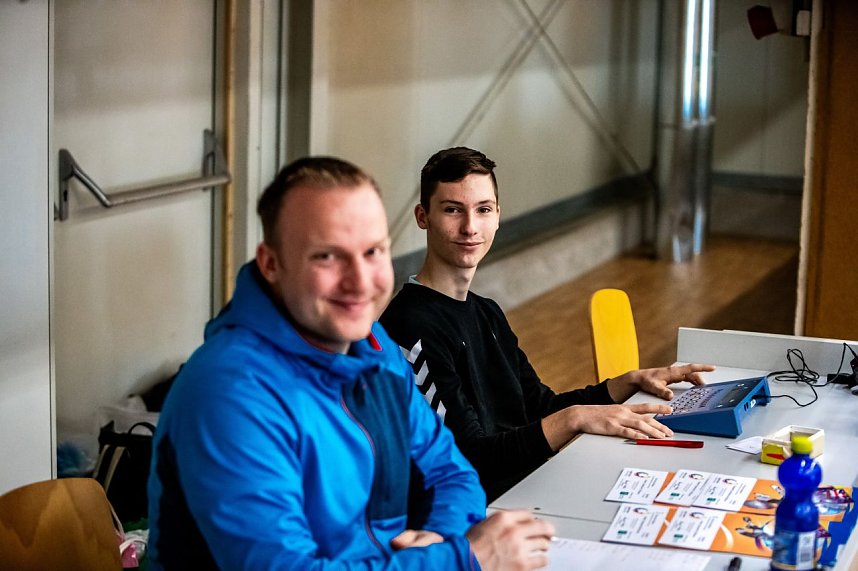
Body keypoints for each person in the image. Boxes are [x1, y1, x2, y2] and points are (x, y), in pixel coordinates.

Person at [147, 157, 554, 570]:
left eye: (373, 251)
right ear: (272, 264)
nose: (360, 282)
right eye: (327, 256)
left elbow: (452, 474)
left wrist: (437, 544)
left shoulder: (377, 351)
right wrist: (460, 558)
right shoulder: (230, 393)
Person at [380, 147, 715, 501]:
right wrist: (573, 419)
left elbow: (538, 409)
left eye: (483, 210)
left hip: (524, 489)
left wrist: (626, 383)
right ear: (423, 216)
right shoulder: (408, 327)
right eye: (452, 210)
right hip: (469, 520)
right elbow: (469, 461)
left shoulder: (486, 311)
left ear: (497, 216)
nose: (470, 227)